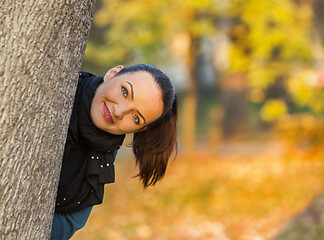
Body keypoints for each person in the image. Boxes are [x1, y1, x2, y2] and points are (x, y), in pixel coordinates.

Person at [51, 64, 177, 239]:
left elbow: (67, 224)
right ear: (112, 74)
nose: (118, 112)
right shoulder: (58, 88)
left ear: (139, 129)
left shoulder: (103, 156)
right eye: (125, 92)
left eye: (135, 117)